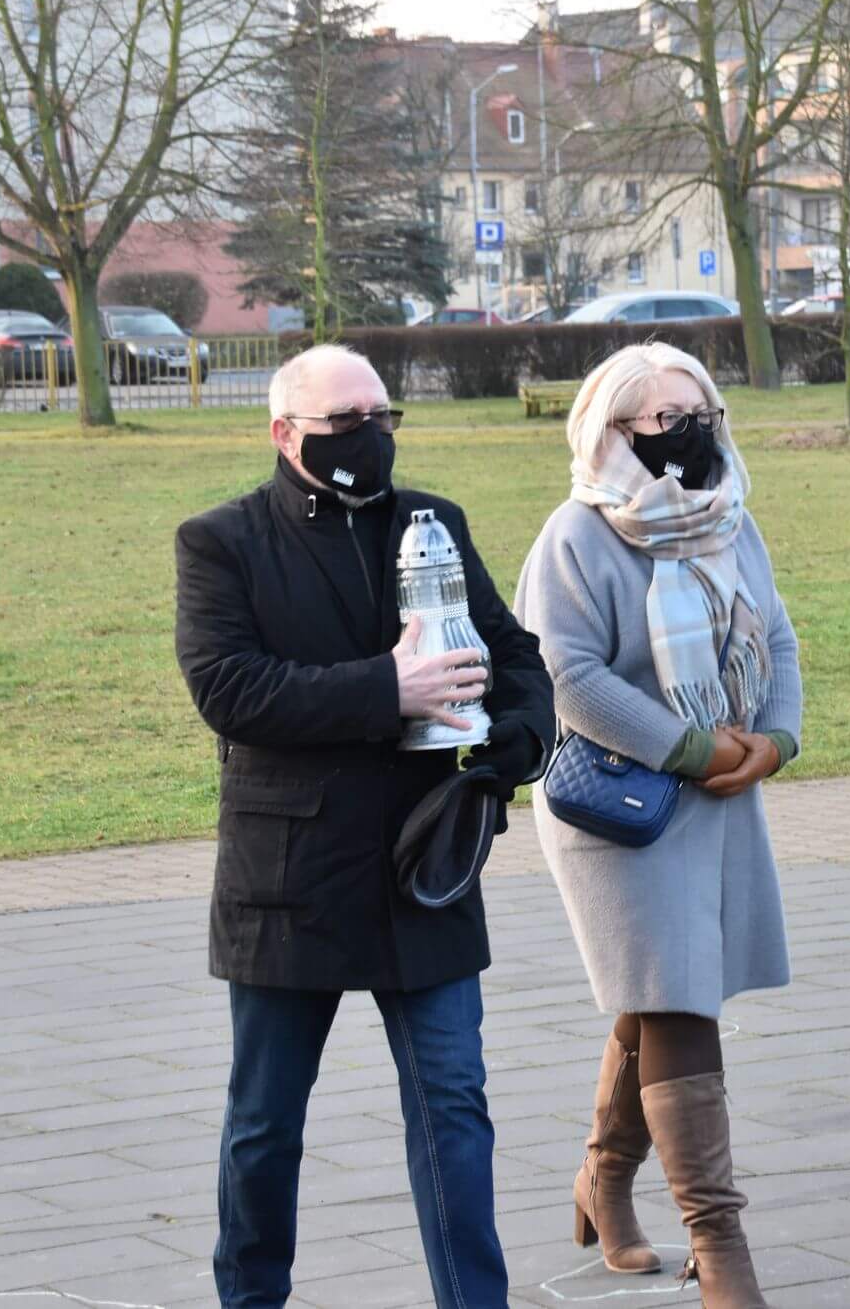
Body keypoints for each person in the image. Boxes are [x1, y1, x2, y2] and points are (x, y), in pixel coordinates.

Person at [173, 344, 555, 1308]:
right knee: (265, 1121)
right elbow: (230, 690)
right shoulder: (220, 541)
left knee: (454, 1107)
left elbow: (512, 652)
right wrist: (391, 687)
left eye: (380, 417)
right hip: (288, 873)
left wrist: (519, 737)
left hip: (423, 860)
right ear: (283, 432)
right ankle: (250, 1298)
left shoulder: (433, 521)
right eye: (343, 421)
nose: (366, 436)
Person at [515, 342, 802, 1309]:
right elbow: (570, 678)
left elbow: (781, 632)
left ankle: (602, 1174)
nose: (690, 429)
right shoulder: (575, 534)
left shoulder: (732, 520)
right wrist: (694, 750)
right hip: (622, 810)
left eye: (702, 410)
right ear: (613, 430)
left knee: (659, 994)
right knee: (682, 1004)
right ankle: (720, 1247)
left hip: (722, 794)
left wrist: (777, 740)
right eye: (664, 416)